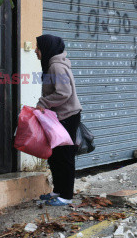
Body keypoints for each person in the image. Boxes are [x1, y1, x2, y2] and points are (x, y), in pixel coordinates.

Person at [35, 34, 82, 206]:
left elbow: (63, 93)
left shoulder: (56, 66)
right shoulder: (51, 65)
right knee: (55, 156)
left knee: (65, 156)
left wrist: (43, 103)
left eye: (38, 48)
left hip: (67, 116)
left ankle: (66, 195)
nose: (35, 51)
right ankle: (58, 190)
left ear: (46, 49)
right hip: (58, 116)